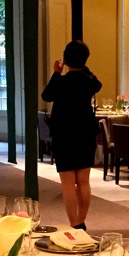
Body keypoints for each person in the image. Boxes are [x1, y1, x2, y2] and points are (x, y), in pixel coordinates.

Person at [41, 40, 102, 230]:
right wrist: (83, 67)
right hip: (85, 134)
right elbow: (97, 83)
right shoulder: (89, 82)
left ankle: (74, 222)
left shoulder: (61, 82)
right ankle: (82, 220)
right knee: (83, 181)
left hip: (64, 135)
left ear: (65, 59)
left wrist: (57, 72)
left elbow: (46, 95)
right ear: (85, 60)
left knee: (68, 183)